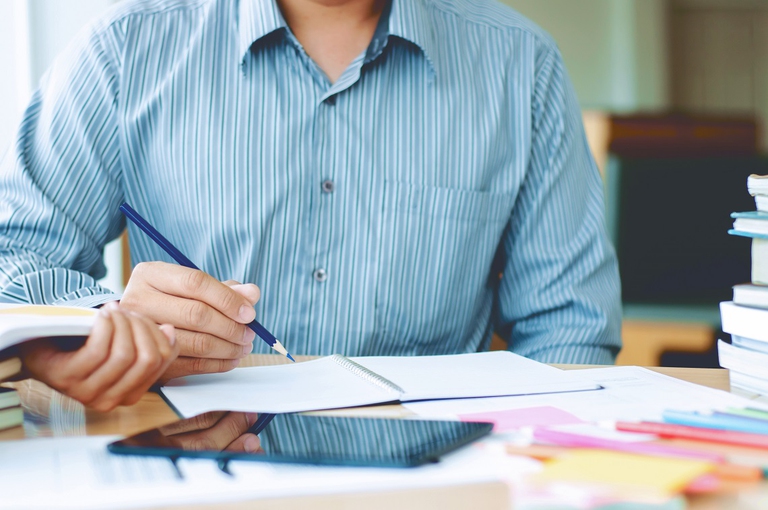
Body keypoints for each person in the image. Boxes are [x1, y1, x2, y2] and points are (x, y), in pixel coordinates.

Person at [0, 0, 622, 384]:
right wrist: (86, 334)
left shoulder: (520, 63)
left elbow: (570, 326)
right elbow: (12, 262)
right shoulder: (124, 52)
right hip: (188, 464)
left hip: (437, 475)